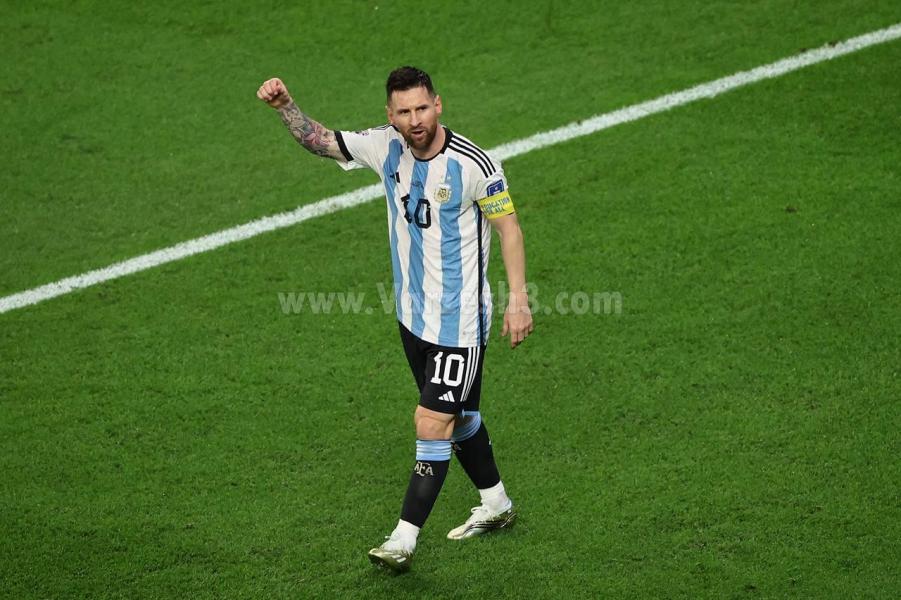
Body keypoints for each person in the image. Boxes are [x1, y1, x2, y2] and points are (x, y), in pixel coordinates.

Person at [257, 66, 533, 573]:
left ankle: (403, 540)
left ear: (438, 104)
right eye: (404, 112)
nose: (415, 119)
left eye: (422, 108)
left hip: (459, 324)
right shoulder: (384, 145)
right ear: (391, 115)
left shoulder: (474, 164)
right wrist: (286, 108)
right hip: (411, 317)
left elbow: (509, 228)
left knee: (431, 420)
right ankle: (497, 504)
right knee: (459, 416)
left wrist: (518, 299)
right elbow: (322, 141)